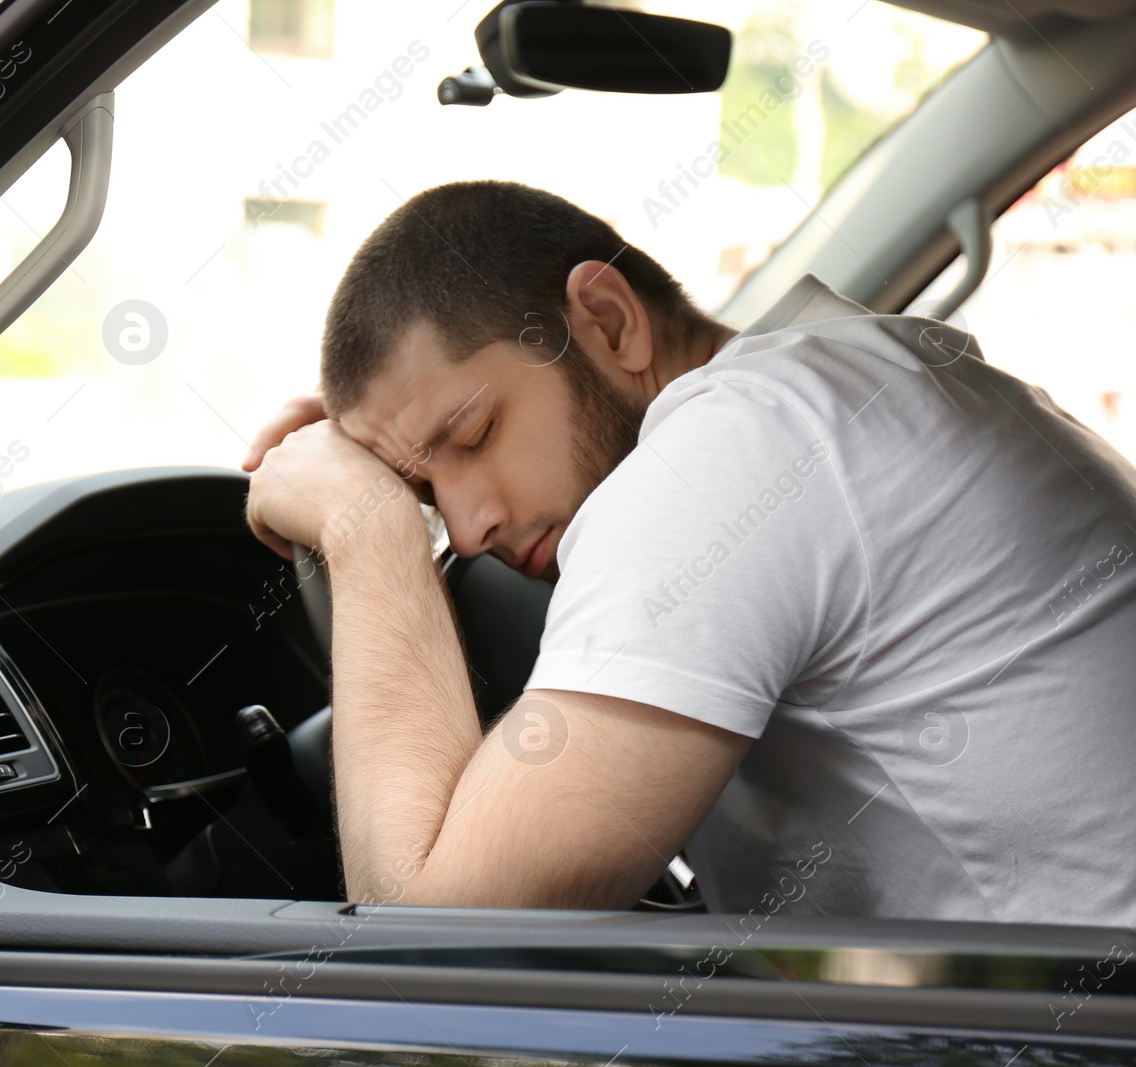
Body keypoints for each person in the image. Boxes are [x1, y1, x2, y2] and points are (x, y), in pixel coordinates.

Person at [242, 179, 1136, 925]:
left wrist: (369, 525)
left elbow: (426, 939)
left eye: (474, 432)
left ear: (607, 319)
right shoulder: (836, 385)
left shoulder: (735, 449)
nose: (466, 528)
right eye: (425, 492)